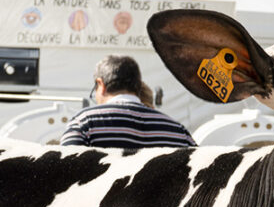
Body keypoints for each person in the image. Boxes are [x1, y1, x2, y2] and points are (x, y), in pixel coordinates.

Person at [61, 55, 196, 147]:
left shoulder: (84, 124)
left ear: (100, 85)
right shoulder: (178, 132)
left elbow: (61, 178)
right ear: (138, 86)